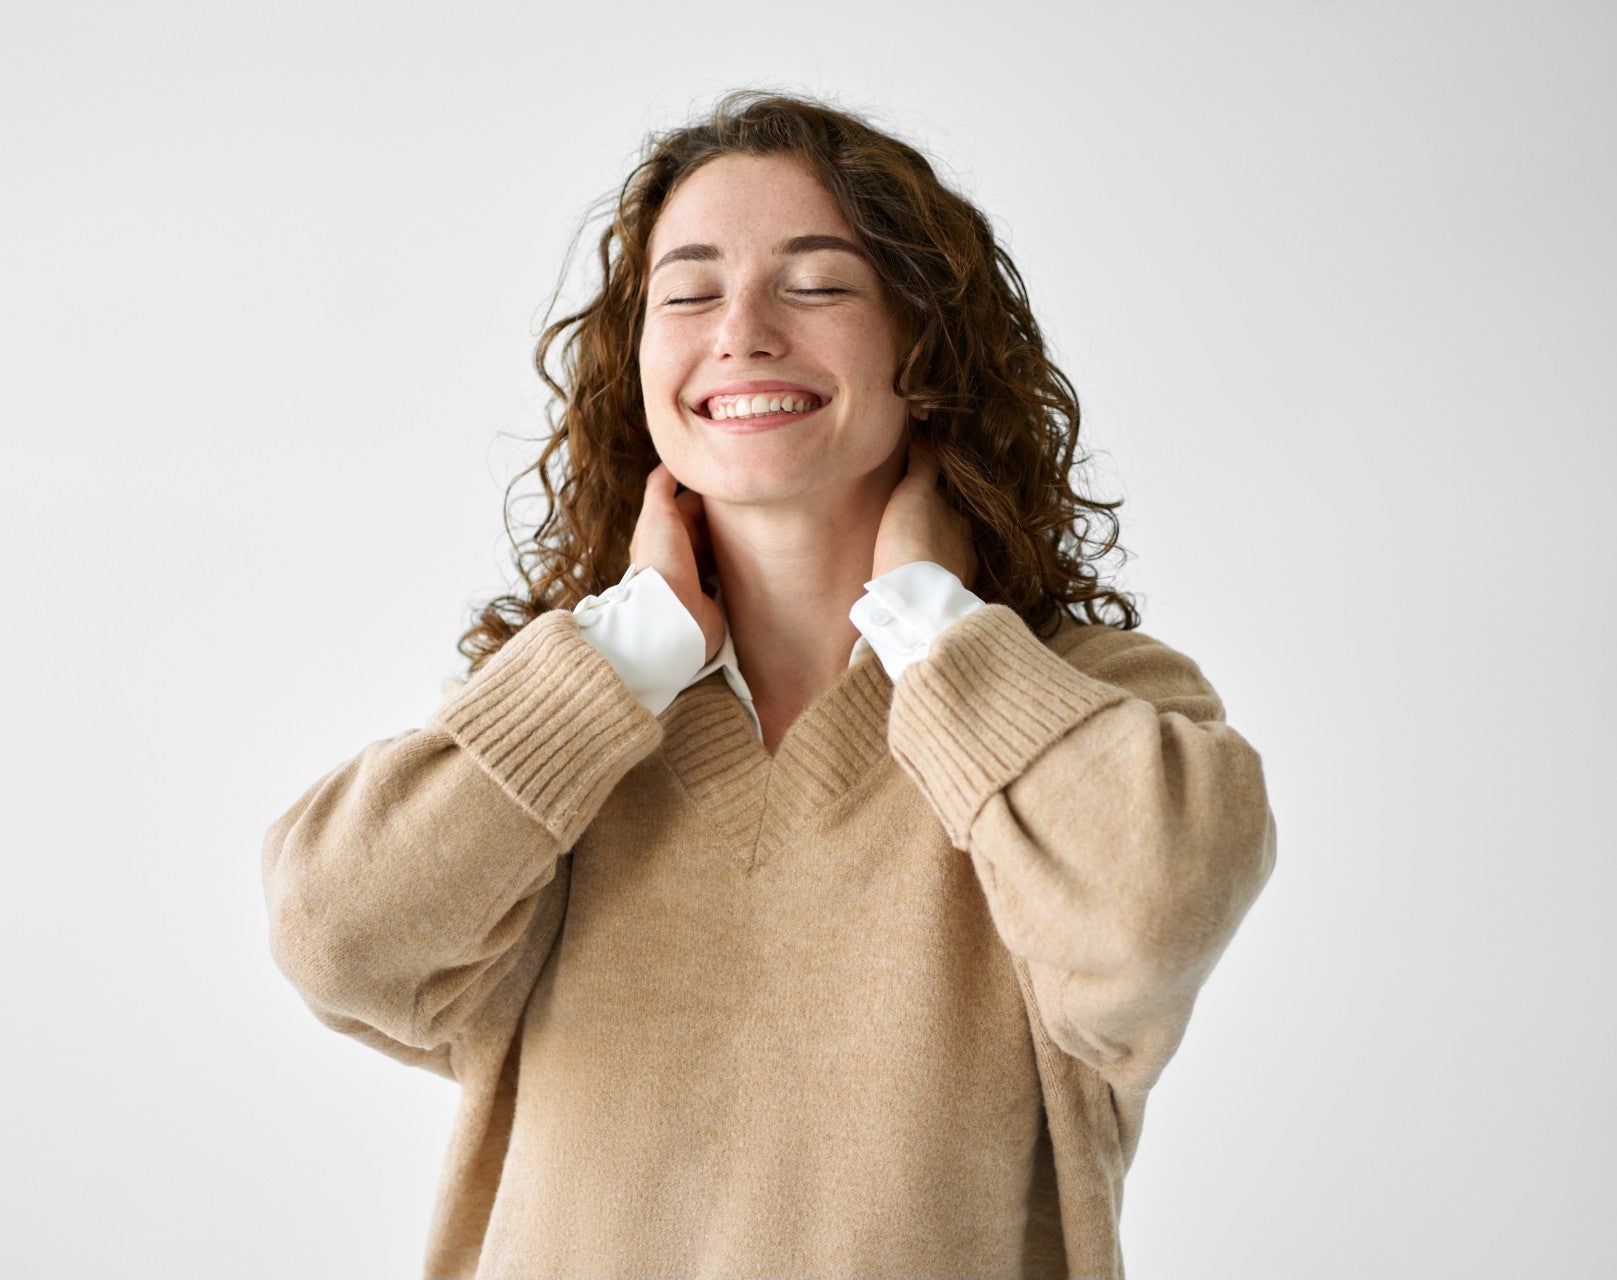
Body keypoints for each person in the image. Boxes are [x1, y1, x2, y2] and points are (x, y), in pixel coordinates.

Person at [261, 89, 1278, 1280]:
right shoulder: (567, 719)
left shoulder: (1088, 700)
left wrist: (936, 633)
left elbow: (1143, 924)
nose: (740, 329)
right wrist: (632, 650)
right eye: (688, 291)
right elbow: (336, 934)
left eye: (817, 283)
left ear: (925, 350)